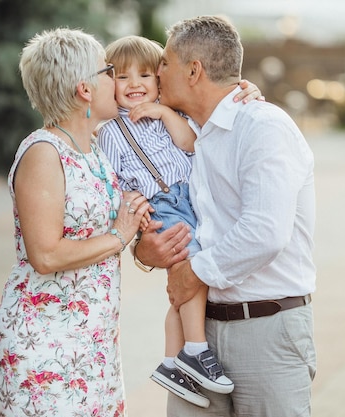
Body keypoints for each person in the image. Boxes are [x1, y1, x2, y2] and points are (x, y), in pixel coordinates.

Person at [133, 15, 317, 417]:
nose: (156, 74)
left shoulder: (263, 127)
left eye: (165, 63)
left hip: (266, 331)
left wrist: (194, 271)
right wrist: (145, 250)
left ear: (194, 71)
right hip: (197, 333)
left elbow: (265, 232)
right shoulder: (180, 134)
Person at [0, 28, 150, 417]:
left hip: (94, 341)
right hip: (46, 342)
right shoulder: (44, 153)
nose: (116, 80)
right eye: (109, 72)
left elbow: (162, 102)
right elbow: (45, 254)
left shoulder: (95, 147)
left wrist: (239, 90)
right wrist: (119, 235)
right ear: (85, 89)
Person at [97, 35, 246, 408]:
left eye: (145, 75)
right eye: (123, 77)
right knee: (190, 269)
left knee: (185, 288)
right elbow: (111, 179)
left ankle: (170, 361)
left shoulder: (171, 112)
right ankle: (195, 350)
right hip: (161, 205)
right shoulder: (109, 129)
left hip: (188, 198)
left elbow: (190, 145)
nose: (135, 85)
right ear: (107, 84)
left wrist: (163, 113)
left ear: (159, 81)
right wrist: (133, 207)